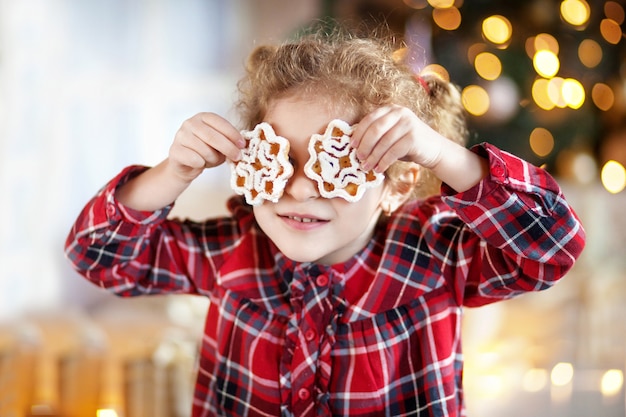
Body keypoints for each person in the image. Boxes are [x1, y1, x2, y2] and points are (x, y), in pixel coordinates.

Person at [65, 25, 586, 417]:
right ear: (250, 161)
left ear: (398, 183)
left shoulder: (437, 254)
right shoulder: (229, 250)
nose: (299, 185)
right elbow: (98, 257)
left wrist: (444, 155)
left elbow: (552, 246)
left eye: (335, 162)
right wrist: (172, 172)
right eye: (280, 157)